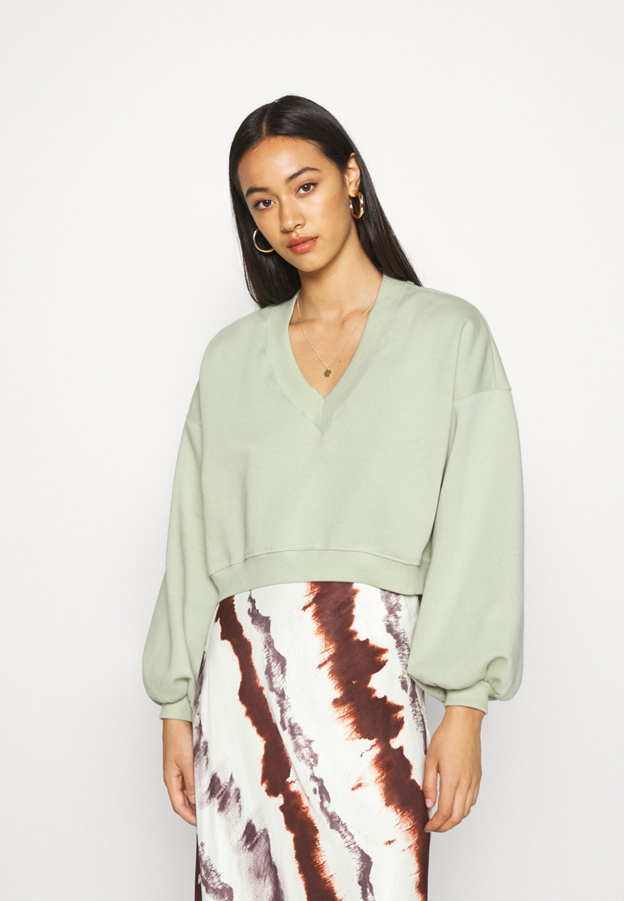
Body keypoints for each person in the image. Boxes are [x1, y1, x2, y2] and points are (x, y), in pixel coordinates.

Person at [142, 94, 524, 901]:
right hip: (240, 686)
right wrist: (175, 708)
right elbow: (192, 539)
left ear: (351, 177)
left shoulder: (450, 335)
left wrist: (465, 708)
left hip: (370, 683)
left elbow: (480, 526)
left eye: (305, 185)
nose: (288, 217)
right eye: (262, 201)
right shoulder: (230, 358)